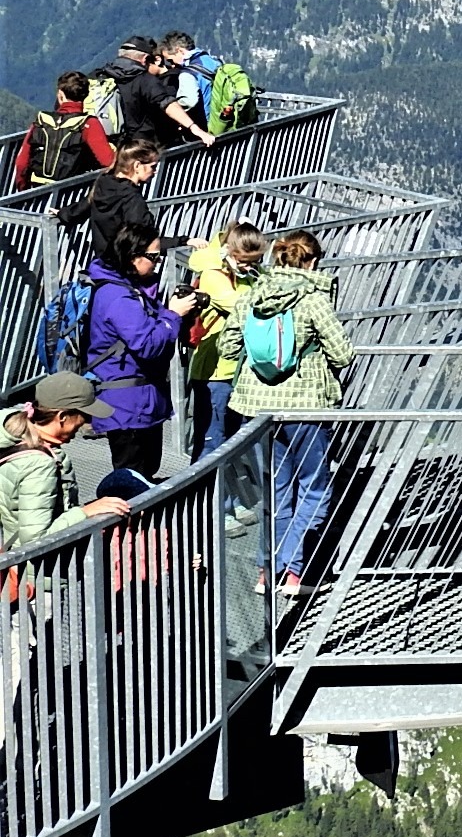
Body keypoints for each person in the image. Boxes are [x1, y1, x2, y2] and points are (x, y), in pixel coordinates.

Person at [219, 229, 354, 597]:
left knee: (275, 493)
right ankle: (292, 570)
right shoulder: (314, 299)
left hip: (256, 409)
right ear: (312, 261)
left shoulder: (252, 296)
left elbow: (229, 347)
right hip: (306, 406)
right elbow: (343, 354)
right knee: (314, 488)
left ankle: (267, 571)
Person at [84, 222, 199, 477]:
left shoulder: (132, 289)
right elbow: (147, 345)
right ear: (133, 256)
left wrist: (177, 314)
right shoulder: (118, 296)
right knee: (132, 479)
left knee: (146, 471)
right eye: (153, 257)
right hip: (126, 402)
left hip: (141, 399)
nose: (157, 262)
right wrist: (172, 315)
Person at [0, 374, 132, 553]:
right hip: (44, 575)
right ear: (62, 417)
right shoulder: (39, 465)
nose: (86, 424)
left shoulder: (13, 433)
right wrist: (85, 511)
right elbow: (36, 539)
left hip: (16, 565)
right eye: (83, 418)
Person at [185, 223, 268, 462]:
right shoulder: (213, 275)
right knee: (212, 440)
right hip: (216, 371)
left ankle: (235, 498)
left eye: (255, 262)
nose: (249, 268)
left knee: (241, 443)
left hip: (244, 371)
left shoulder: (253, 274)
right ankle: (204, 495)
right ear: (230, 253)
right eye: (244, 262)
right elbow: (240, 306)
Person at [55, 140, 177, 252]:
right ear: (137, 166)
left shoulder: (103, 183)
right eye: (153, 167)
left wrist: (64, 213)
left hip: (101, 264)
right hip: (123, 267)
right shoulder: (131, 198)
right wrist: (182, 241)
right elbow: (143, 240)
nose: (155, 172)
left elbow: (84, 206)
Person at [12, 71, 115, 190]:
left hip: (37, 191)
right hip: (71, 194)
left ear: (60, 95)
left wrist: (23, 191)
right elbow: (108, 162)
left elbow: (21, 163)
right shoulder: (89, 124)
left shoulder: (41, 120)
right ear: (86, 96)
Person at [119, 38, 213, 150]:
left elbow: (182, 103)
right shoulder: (176, 76)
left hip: (179, 142)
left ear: (157, 60)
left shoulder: (169, 82)